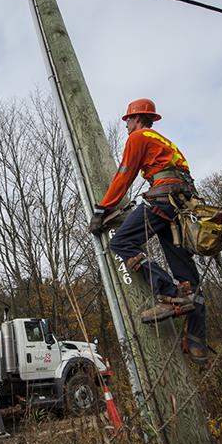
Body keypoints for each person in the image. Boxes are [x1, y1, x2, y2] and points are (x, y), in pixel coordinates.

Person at [89, 98, 208, 363]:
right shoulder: (165, 142)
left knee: (121, 243)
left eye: (128, 120)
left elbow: (125, 173)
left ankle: (168, 293)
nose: (127, 125)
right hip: (181, 205)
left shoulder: (139, 137)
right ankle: (197, 339)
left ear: (139, 118)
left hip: (164, 199)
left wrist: (102, 209)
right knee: (187, 273)